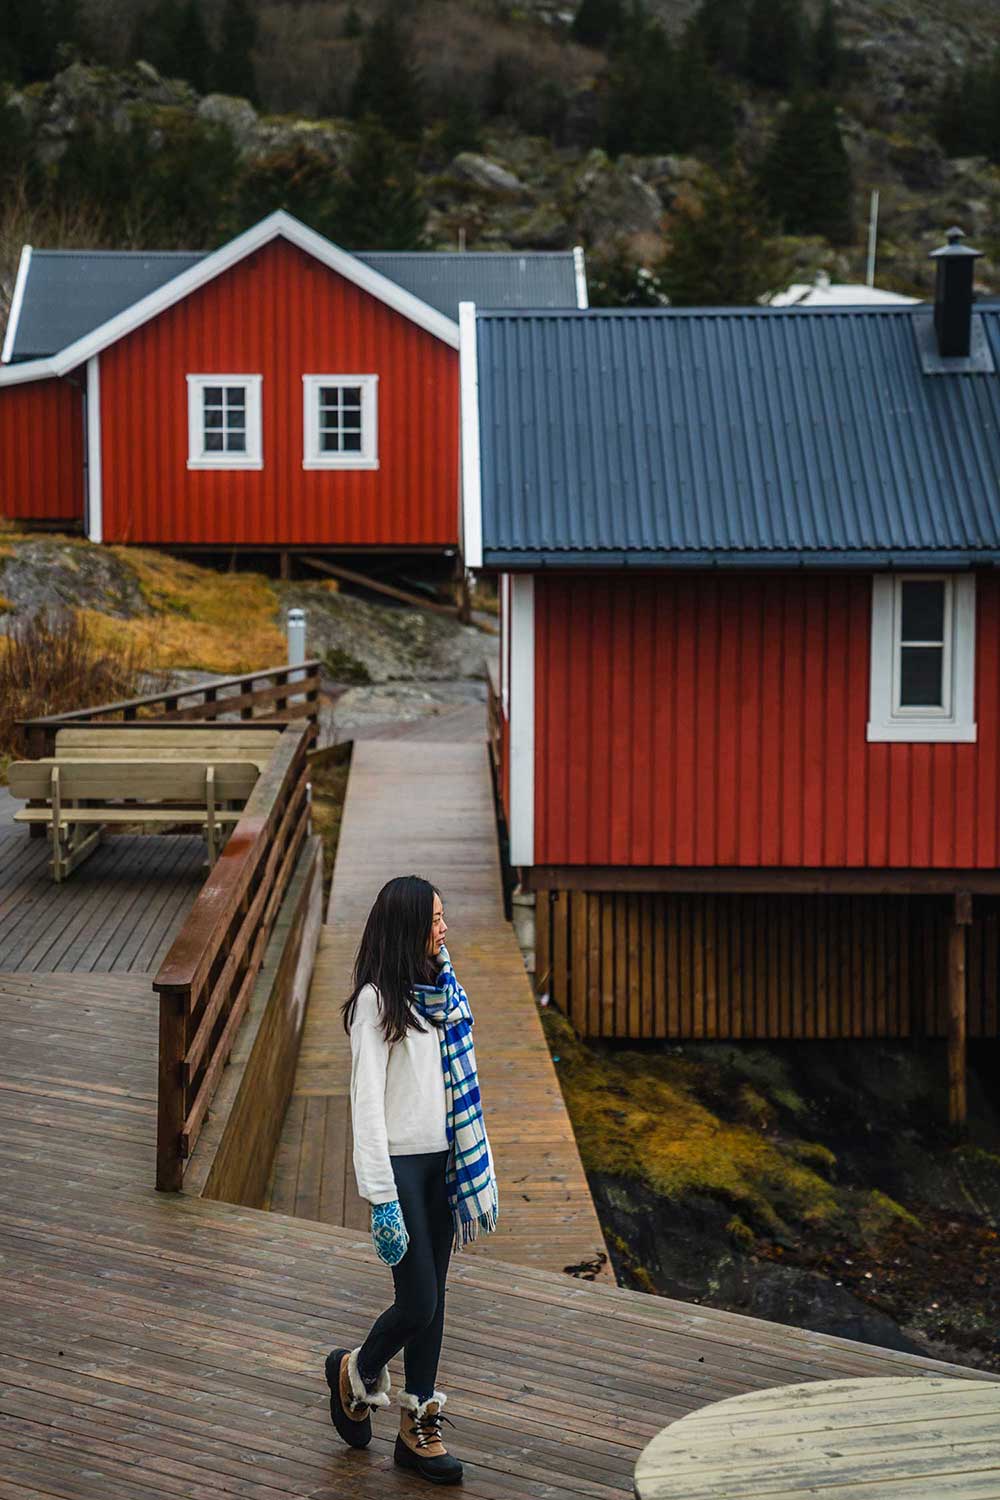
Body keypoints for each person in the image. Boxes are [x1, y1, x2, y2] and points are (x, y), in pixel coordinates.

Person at [324, 874, 499, 1485]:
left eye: (444, 917)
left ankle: (416, 1426)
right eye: (434, 920)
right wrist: (381, 1199)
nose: (444, 928)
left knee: (437, 1300)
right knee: (418, 1300)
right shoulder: (376, 1001)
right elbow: (365, 1105)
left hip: (444, 1164)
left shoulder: (443, 989)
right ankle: (356, 1368)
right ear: (407, 928)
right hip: (400, 1168)